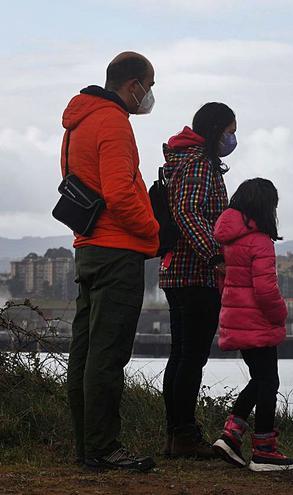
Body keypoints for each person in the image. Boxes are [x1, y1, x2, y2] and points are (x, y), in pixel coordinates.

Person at [62, 52, 159, 472]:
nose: (150, 95)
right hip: (117, 250)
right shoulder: (114, 122)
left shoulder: (79, 121)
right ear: (133, 84)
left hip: (87, 247)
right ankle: (104, 447)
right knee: (108, 353)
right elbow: (120, 194)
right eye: (149, 85)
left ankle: (88, 447)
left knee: (84, 351)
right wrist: (153, 233)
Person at [159, 103, 235, 457]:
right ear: (216, 129)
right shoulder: (198, 164)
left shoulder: (183, 160)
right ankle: (184, 435)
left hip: (179, 273)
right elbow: (187, 211)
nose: (232, 138)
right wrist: (215, 255)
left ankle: (177, 434)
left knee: (181, 356)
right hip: (195, 274)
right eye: (230, 130)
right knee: (191, 358)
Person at [211, 178, 293, 472]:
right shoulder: (259, 241)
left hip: (236, 319)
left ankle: (231, 435)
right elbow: (265, 290)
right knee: (268, 382)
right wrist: (280, 314)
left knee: (260, 379)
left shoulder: (229, 239)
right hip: (257, 322)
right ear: (266, 207)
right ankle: (263, 451)